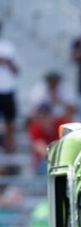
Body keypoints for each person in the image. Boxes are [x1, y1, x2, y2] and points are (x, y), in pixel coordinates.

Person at [27, 104, 64, 172]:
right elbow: (42, 150)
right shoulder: (35, 128)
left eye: (46, 116)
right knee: (45, 164)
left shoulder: (61, 124)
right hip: (44, 161)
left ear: (52, 116)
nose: (44, 120)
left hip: (60, 158)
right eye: (41, 117)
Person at [0, 22, 17, 154]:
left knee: (10, 123)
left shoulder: (8, 47)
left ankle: (9, 150)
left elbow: (17, 70)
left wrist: (7, 61)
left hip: (7, 89)